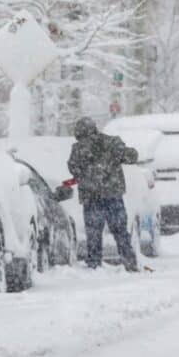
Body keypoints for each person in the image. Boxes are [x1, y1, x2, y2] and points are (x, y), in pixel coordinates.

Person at [66, 117, 140, 272]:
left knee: (93, 233)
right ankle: (129, 261)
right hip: (113, 195)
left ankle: (94, 264)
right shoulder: (112, 143)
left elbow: (73, 168)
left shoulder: (78, 149)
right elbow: (131, 156)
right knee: (120, 231)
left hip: (91, 197)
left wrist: (88, 173)